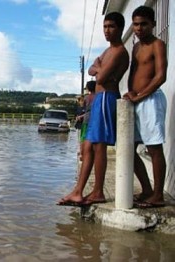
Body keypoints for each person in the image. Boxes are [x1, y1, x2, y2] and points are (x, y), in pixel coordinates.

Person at [57, 12, 129, 206]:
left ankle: (98, 191)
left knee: (99, 146)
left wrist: (99, 69)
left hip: (106, 98)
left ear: (120, 28)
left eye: (111, 27)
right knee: (88, 146)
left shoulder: (120, 51)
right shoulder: (107, 51)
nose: (107, 31)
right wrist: (98, 68)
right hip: (99, 98)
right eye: (105, 27)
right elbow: (91, 70)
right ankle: (78, 191)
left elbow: (101, 78)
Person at [123, 6, 167, 208]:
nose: (139, 28)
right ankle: (147, 189)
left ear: (153, 24)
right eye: (136, 24)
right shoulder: (136, 47)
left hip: (150, 100)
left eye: (143, 24)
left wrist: (140, 96)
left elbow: (160, 76)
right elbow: (134, 74)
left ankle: (158, 195)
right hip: (136, 101)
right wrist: (131, 92)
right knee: (129, 148)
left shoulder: (158, 44)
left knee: (154, 148)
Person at [78, 80, 96, 161]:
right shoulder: (98, 97)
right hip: (96, 119)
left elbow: (82, 106)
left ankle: (82, 154)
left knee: (83, 137)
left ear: (88, 88)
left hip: (86, 119)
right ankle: (92, 154)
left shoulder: (86, 98)